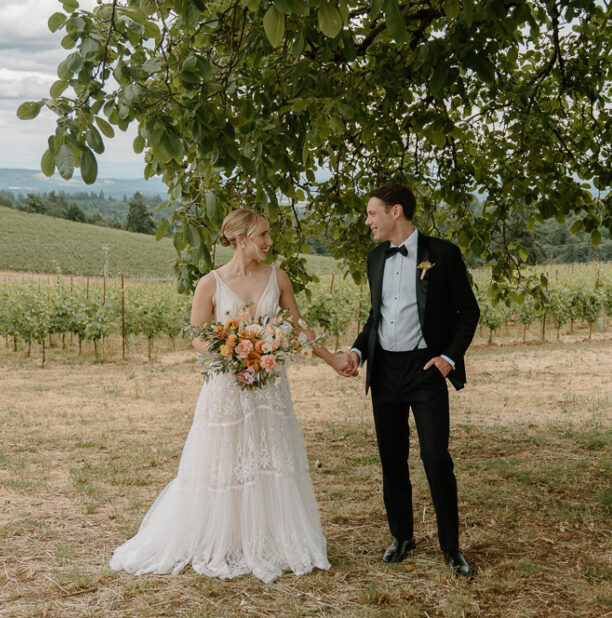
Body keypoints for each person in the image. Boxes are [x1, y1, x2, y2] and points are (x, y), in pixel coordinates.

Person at [110, 209, 352, 583]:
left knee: (269, 456)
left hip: (270, 389)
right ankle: (225, 537)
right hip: (226, 389)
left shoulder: (279, 278)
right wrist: (229, 349)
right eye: (263, 236)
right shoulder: (210, 283)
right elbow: (194, 333)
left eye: (269, 235)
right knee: (225, 458)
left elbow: (299, 327)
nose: (270, 242)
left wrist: (333, 359)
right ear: (240, 239)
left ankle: (270, 537)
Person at [345, 184, 480, 578]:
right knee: (392, 458)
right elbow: (376, 318)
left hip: (426, 372)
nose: (367, 221)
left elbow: (468, 312)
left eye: (372, 213)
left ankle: (451, 547)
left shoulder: (443, 254)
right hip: (385, 372)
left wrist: (449, 358)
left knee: (436, 459)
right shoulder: (374, 259)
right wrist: (357, 351)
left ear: (396, 212)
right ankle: (402, 536)